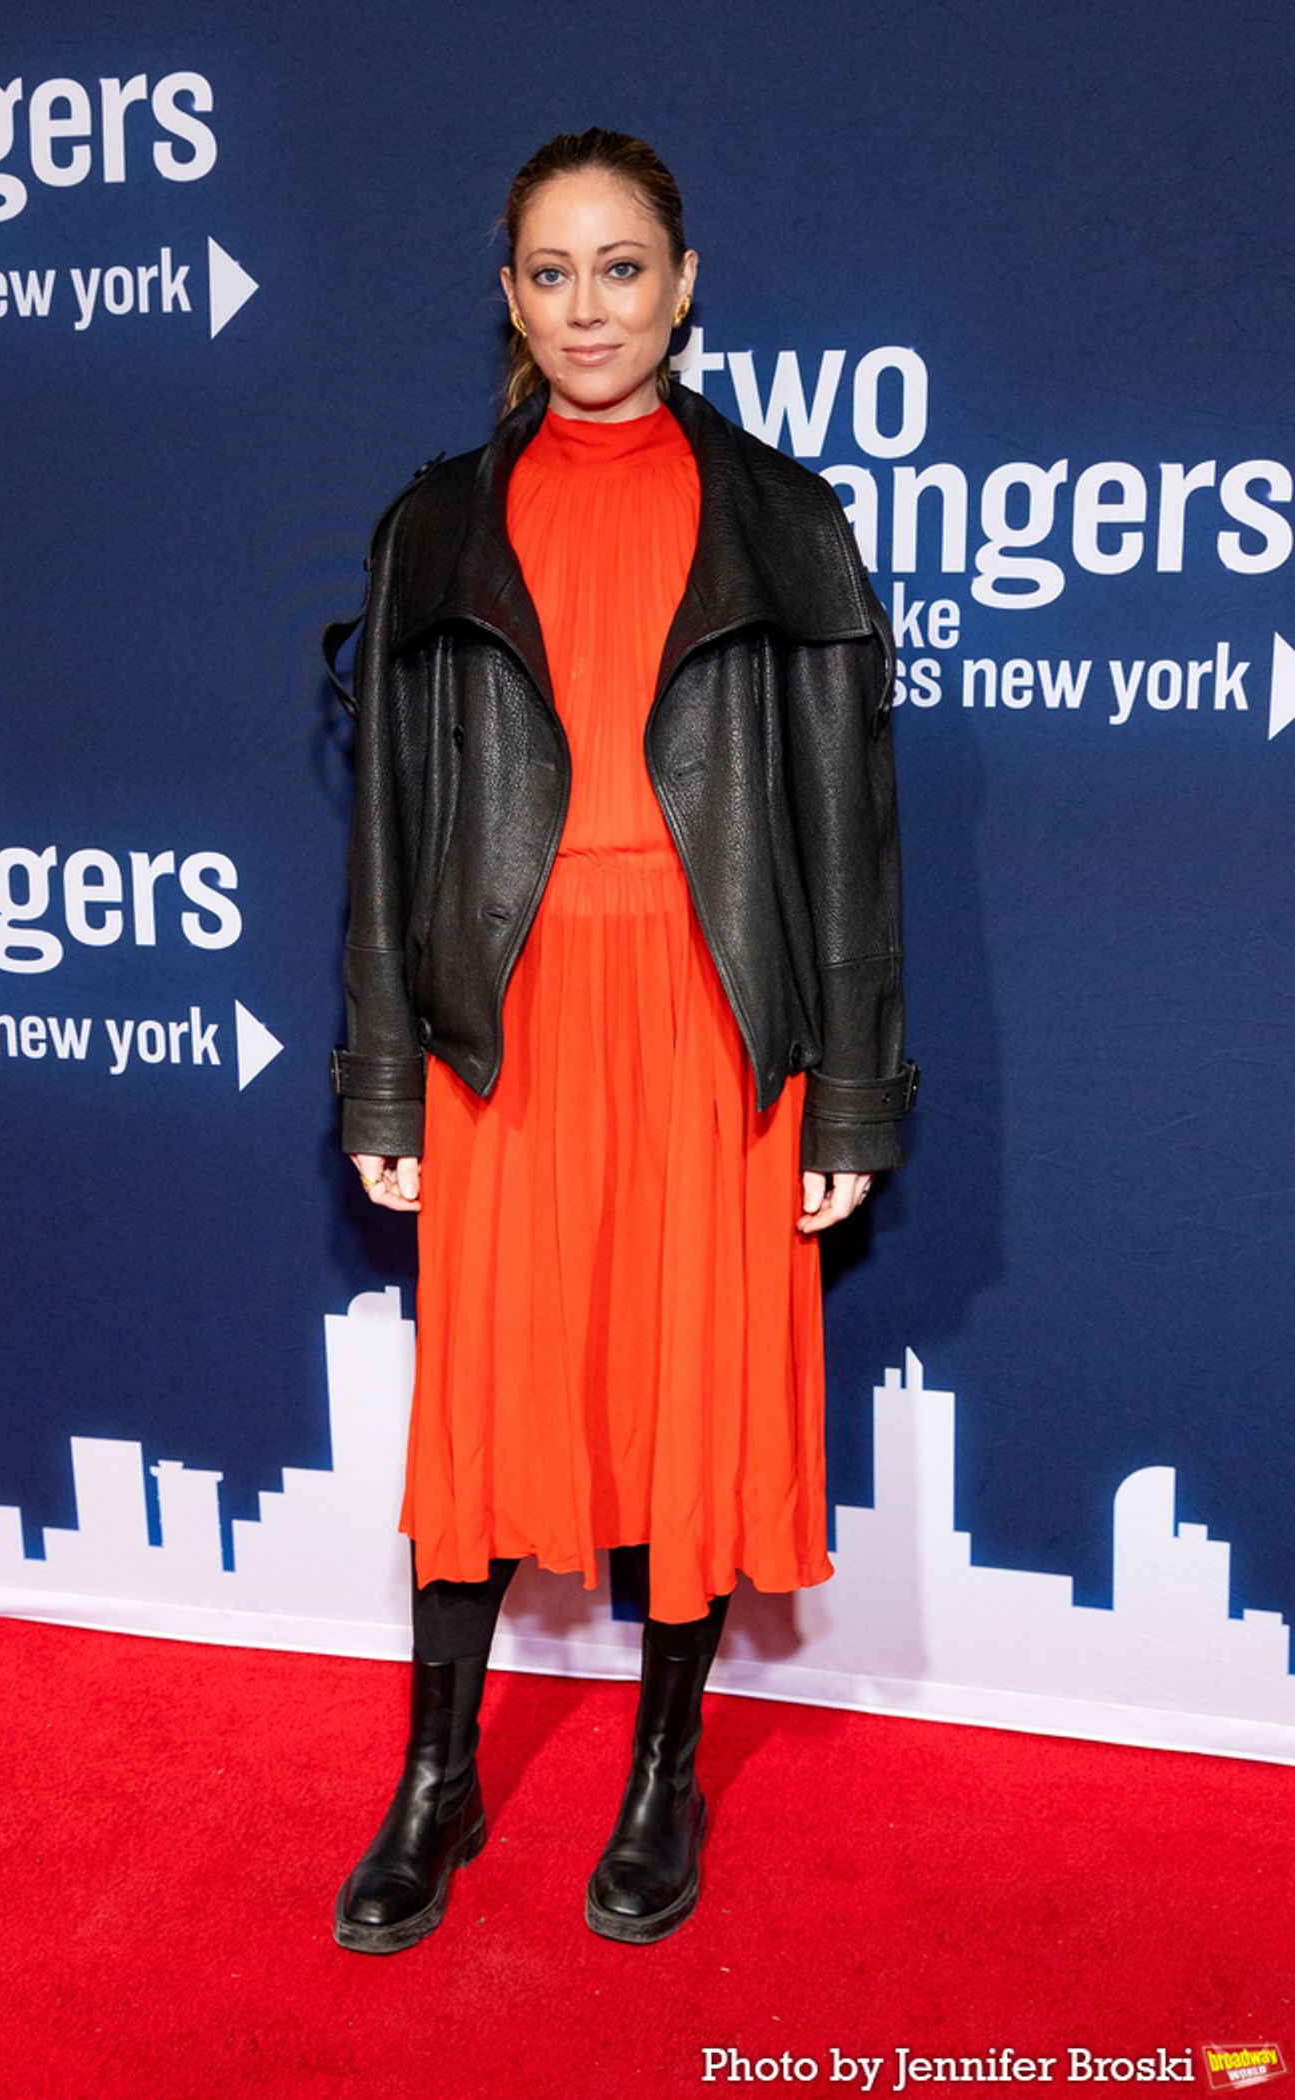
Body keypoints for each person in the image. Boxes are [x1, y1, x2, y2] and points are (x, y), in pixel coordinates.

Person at [321, 127, 919, 1955]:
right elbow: (387, 833)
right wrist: (382, 1068)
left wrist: (849, 1092)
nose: (589, 307)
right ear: (509, 298)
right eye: (552, 272)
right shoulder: (436, 522)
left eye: (623, 266)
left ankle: (666, 1773)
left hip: (713, 1015)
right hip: (502, 1020)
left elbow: (848, 833)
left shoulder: (784, 518)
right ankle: (437, 1773)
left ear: (683, 284)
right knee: (484, 1408)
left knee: (686, 1394)